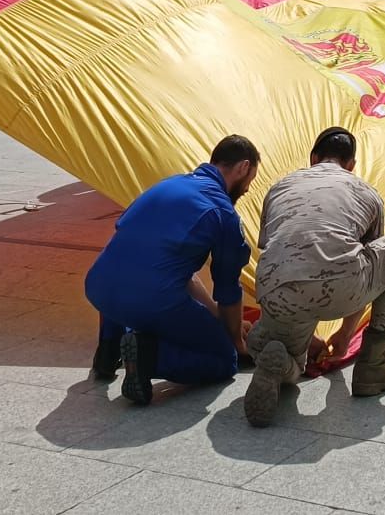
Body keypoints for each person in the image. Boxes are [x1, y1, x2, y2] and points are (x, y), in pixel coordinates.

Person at [242, 127, 385, 427]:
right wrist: (345, 332)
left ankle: (282, 364)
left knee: (265, 345)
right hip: (342, 288)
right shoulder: (366, 192)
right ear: (352, 165)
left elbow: (287, 254)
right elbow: (363, 261)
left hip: (277, 291)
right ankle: (373, 365)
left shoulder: (280, 187)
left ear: (313, 158)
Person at [86, 135, 258, 406]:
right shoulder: (223, 213)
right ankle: (148, 356)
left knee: (129, 267)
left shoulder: (167, 185)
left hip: (98, 287)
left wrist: (213, 315)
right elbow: (228, 287)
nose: (247, 189)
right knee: (224, 360)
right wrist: (235, 339)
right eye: (250, 181)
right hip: (151, 298)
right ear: (243, 168)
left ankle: (108, 351)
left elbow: (172, 267)